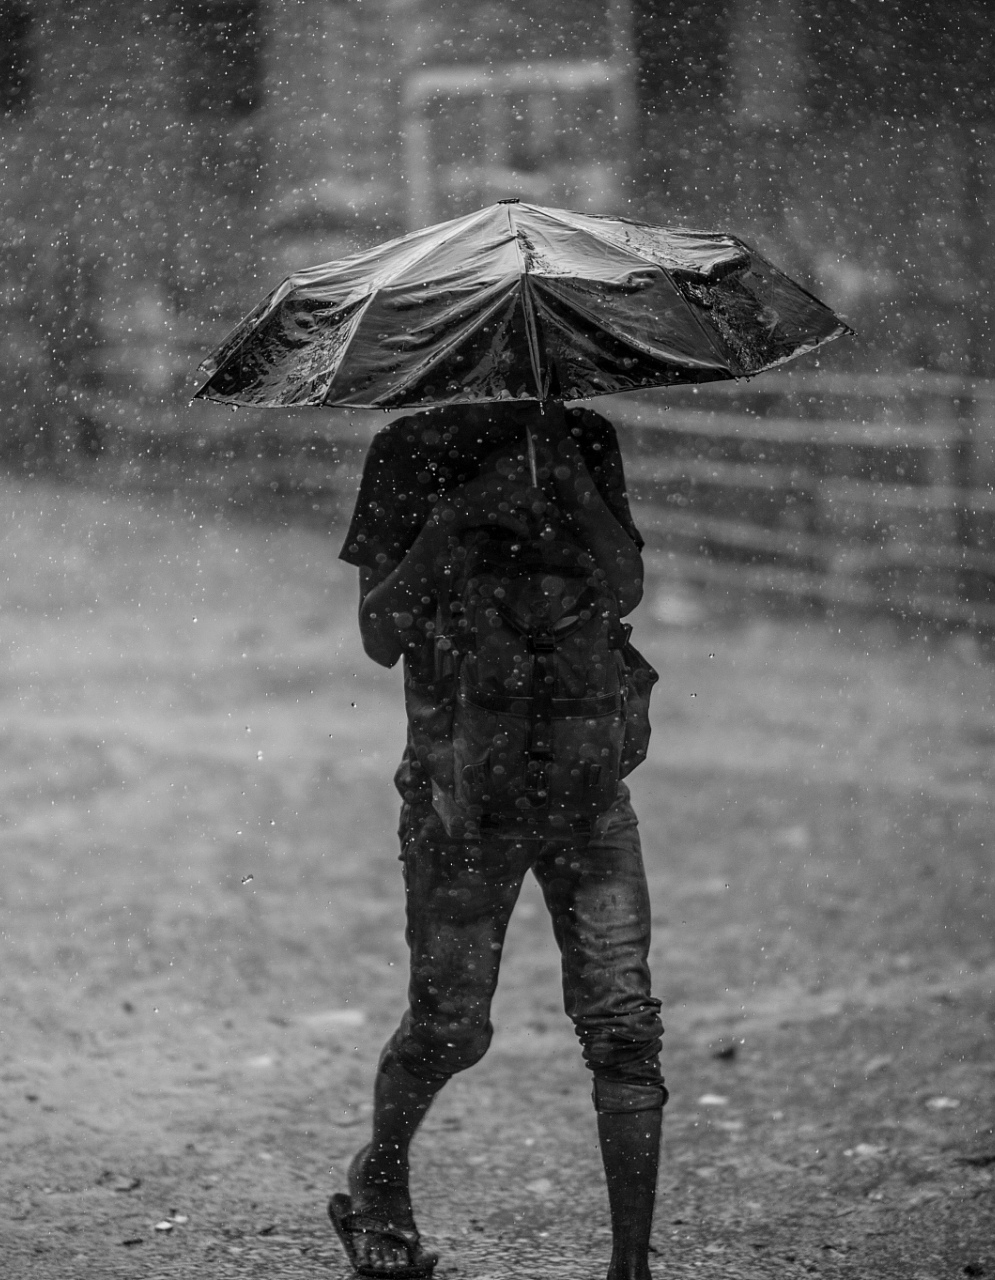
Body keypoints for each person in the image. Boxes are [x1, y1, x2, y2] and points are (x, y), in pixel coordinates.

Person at [331, 399, 665, 1280]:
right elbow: (378, 635)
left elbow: (624, 588)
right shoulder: (407, 450)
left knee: (623, 1026)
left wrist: (570, 486)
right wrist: (453, 521)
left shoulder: (583, 435)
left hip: (589, 787)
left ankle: (630, 1268)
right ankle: (382, 1177)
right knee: (451, 1027)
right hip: (460, 800)